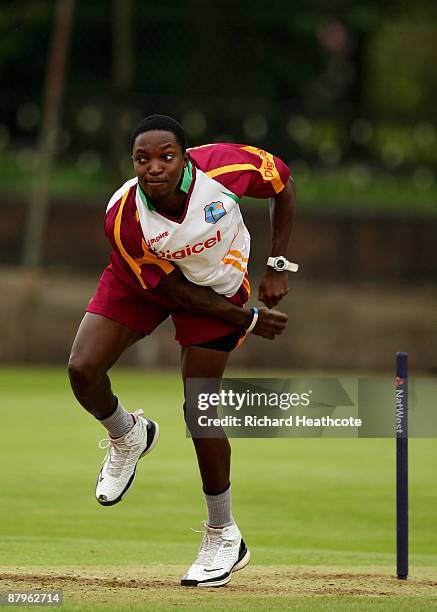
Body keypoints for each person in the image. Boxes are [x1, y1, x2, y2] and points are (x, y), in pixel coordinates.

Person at [68, 114, 297, 587]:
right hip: (148, 283)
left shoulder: (225, 170)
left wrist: (277, 264)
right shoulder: (123, 214)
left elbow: (282, 182)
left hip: (218, 282)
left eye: (166, 156)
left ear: (185, 157)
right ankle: (127, 434)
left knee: (201, 409)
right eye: (142, 159)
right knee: (82, 369)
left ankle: (223, 534)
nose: (154, 167)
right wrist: (249, 320)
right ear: (132, 163)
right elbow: (173, 293)